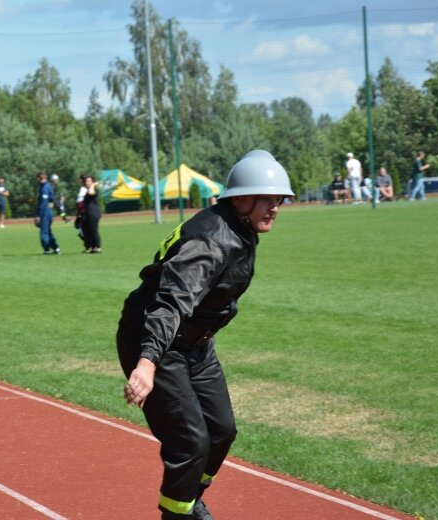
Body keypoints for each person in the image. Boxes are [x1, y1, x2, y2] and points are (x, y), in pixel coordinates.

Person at [116, 150, 294, 520]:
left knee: (221, 431)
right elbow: (171, 303)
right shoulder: (211, 241)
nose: (275, 207)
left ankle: (188, 500)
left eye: (279, 199)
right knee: (190, 442)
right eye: (268, 198)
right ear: (241, 199)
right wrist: (146, 363)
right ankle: (176, 515)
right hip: (156, 339)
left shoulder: (238, 228)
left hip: (195, 343)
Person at [35, 171, 60, 255]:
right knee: (48, 231)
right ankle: (56, 248)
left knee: (44, 232)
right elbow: (52, 199)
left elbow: (43, 203)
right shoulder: (47, 186)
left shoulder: (44, 187)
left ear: (39, 178)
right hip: (49, 212)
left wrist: (38, 215)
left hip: (45, 213)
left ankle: (47, 249)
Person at [80, 175, 102, 253]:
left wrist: (93, 184)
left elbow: (91, 193)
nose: (87, 182)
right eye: (86, 181)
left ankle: (97, 247)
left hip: (93, 213)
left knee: (94, 230)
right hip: (88, 213)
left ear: (92, 182)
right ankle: (92, 247)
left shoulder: (93, 190)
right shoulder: (87, 190)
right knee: (88, 230)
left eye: (88, 181)